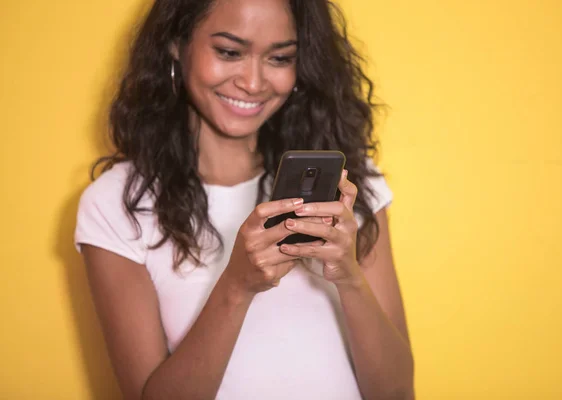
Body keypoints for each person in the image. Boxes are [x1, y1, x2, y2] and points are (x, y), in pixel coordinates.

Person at [74, 0, 414, 399]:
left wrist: (349, 279)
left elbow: (397, 393)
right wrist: (236, 286)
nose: (253, 82)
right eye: (229, 52)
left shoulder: (348, 184)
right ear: (175, 44)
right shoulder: (116, 204)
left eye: (280, 57)